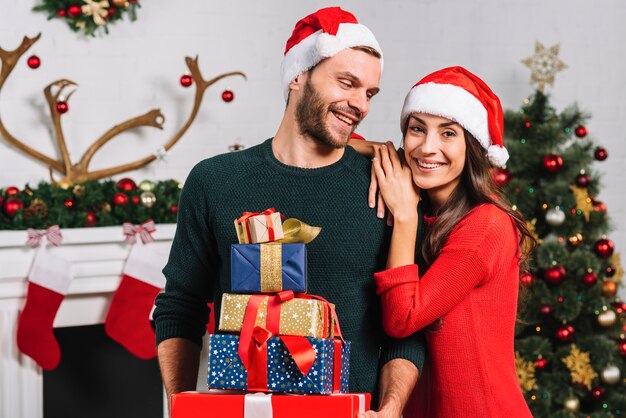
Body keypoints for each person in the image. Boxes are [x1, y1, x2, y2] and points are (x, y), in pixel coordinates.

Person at [153, 7, 425, 417]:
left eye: (369, 93)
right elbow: (180, 307)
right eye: (347, 83)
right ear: (298, 75)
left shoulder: (386, 187)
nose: (361, 105)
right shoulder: (215, 181)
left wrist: (390, 409)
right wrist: (180, 406)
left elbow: (404, 327)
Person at [368, 66, 535, 417]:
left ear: (471, 145)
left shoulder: (485, 226)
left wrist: (404, 216)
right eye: (417, 129)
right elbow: (336, 146)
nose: (428, 148)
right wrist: (378, 151)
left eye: (448, 134)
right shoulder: (433, 213)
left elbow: (402, 318)